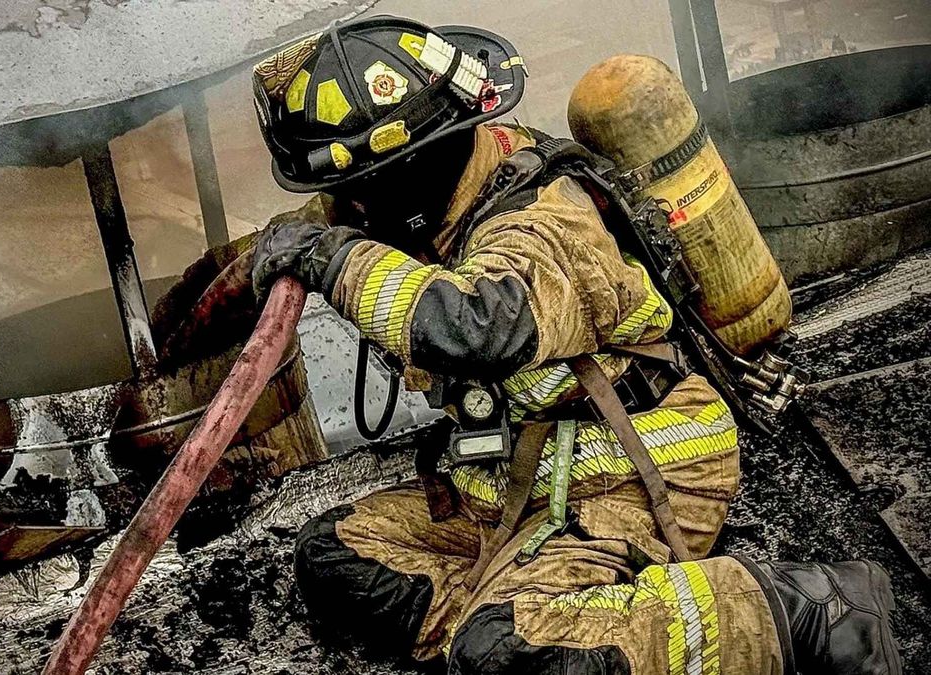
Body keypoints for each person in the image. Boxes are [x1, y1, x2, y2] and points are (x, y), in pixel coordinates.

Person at [247, 15, 902, 675]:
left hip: (628, 471)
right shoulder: (442, 201)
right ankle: (526, 623)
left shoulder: (541, 218)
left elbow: (477, 324)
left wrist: (334, 260)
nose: (347, 210)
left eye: (354, 191)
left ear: (408, 170)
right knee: (334, 553)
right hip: (512, 484)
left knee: (503, 649)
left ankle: (806, 608)